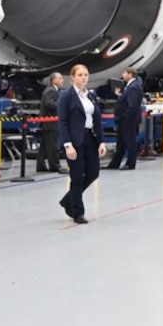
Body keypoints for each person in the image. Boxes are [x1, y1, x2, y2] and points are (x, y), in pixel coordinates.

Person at [57, 64, 107, 224]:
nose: (84, 77)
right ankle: (77, 212)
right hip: (74, 140)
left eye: (86, 74)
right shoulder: (66, 96)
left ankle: (67, 200)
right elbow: (63, 121)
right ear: (72, 77)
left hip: (90, 138)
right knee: (77, 177)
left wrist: (101, 141)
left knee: (93, 172)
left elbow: (97, 120)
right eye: (80, 75)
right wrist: (67, 144)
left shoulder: (91, 96)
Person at [108, 67, 144, 170]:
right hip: (124, 120)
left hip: (128, 120)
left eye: (124, 73)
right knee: (121, 143)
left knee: (130, 142)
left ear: (130, 74)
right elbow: (126, 100)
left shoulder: (133, 87)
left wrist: (125, 117)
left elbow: (132, 105)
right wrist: (120, 96)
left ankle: (130, 163)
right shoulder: (130, 86)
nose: (122, 75)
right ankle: (114, 164)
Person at [38, 72, 64, 173]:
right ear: (54, 80)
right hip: (51, 123)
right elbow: (49, 104)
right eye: (60, 78)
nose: (62, 80)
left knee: (44, 146)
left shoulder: (50, 90)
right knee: (52, 145)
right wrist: (61, 105)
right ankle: (55, 166)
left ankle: (40, 165)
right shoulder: (52, 91)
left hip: (47, 123)